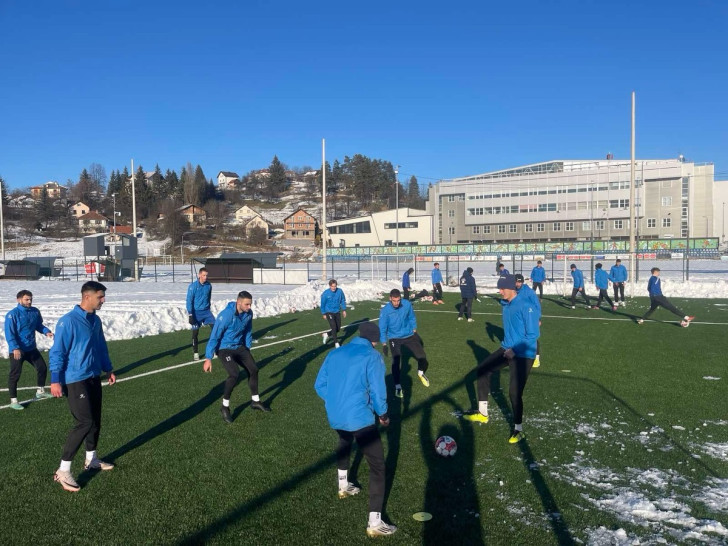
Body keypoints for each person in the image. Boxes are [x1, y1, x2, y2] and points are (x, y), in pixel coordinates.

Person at [314, 322, 397, 537]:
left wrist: (335, 401)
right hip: (359, 417)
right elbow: (378, 391)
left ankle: (343, 485)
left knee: (344, 440)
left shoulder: (335, 353)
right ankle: (375, 522)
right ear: (374, 340)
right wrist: (383, 415)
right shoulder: (372, 356)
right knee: (377, 466)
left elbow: (319, 385)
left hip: (335, 415)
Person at [49, 281, 116, 492]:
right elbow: (58, 351)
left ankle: (91, 459)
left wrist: (108, 368)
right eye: (100, 296)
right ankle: (63, 470)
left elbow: (101, 346)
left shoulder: (95, 320)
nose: (103, 300)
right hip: (75, 379)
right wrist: (55, 379)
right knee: (84, 422)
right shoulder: (67, 321)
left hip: (93, 376)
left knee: (95, 420)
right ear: (87, 296)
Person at [464, 275, 539, 444]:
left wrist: (515, 350)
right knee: (482, 370)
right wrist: (508, 348)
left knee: (514, 392)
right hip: (507, 349)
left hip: (524, 353)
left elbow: (533, 335)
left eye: (502, 288)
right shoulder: (506, 305)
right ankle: (483, 414)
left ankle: (518, 429)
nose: (500, 291)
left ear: (511, 288)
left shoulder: (526, 306)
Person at [203, 291, 270, 423]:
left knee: (253, 369)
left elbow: (248, 330)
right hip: (224, 349)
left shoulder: (248, 313)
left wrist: (247, 348)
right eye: (247, 304)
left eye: (250, 304)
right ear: (239, 302)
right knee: (234, 374)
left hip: (239, 346)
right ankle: (225, 407)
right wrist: (208, 358)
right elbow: (214, 336)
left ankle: (255, 401)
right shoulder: (226, 315)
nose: (249, 307)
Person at [5, 290, 54, 410]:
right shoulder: (12, 314)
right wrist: (15, 348)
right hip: (17, 350)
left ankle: (40, 391)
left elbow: (38, 325)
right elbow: (9, 333)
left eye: (31, 299)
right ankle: (13, 400)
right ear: (19, 300)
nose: (29, 301)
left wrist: (46, 331)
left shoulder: (35, 311)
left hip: (31, 348)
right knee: (15, 374)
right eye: (26, 299)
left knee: (42, 368)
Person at [379, 289, 430, 399]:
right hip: (394, 338)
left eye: (398, 300)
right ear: (390, 299)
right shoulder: (385, 311)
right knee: (396, 362)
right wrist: (384, 343)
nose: (396, 303)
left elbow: (411, 316)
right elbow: (382, 328)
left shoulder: (406, 304)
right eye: (394, 301)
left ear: (400, 298)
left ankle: (420, 373)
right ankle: (398, 386)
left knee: (422, 357)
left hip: (409, 335)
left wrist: (414, 328)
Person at [186, 267, 215, 361]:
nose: (205, 277)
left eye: (206, 275)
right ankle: (196, 353)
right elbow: (189, 301)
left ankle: (213, 350)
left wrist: (208, 307)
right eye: (203, 275)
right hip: (196, 313)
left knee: (215, 329)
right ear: (199, 275)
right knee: (195, 333)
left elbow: (209, 297)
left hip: (206, 312)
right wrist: (190, 314)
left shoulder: (209, 285)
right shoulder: (193, 286)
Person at [514, 274, 542, 368]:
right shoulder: (514, 291)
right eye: (516, 282)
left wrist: (538, 318)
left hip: (531, 317)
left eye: (519, 282)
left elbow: (537, 305)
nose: (517, 284)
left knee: (533, 337)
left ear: (522, 282)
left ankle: (536, 358)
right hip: (520, 318)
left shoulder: (529, 292)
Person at [321, 279, 347, 348]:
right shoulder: (326, 293)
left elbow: (342, 300)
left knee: (338, 328)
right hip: (329, 312)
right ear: (330, 286)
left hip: (337, 311)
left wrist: (344, 310)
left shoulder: (340, 291)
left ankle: (327, 334)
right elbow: (322, 304)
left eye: (335, 286)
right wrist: (323, 313)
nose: (334, 288)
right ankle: (336, 343)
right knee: (333, 327)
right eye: (332, 286)